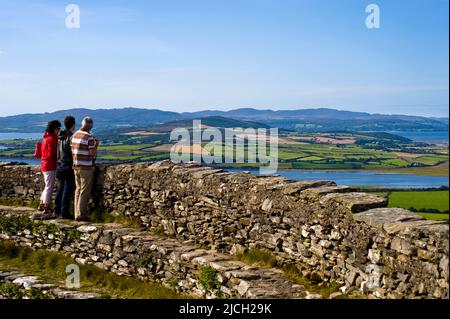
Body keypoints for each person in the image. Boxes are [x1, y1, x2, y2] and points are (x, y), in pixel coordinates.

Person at [71, 116, 99, 221]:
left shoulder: (74, 135)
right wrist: (96, 145)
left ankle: (76, 213)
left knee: (78, 190)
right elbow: (92, 154)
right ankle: (81, 214)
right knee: (84, 191)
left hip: (76, 166)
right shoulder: (89, 137)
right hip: (86, 167)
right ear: (91, 126)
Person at [54, 116, 76, 219]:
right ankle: (64, 212)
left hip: (60, 165)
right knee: (67, 189)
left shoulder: (59, 137)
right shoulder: (71, 137)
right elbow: (73, 152)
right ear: (73, 125)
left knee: (61, 188)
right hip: (68, 166)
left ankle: (57, 209)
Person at [38, 120, 61, 214]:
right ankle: (46, 206)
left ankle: (41, 204)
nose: (59, 130)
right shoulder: (52, 139)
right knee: (49, 187)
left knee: (47, 186)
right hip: (50, 165)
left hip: (44, 164)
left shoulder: (46, 138)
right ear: (54, 129)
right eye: (58, 128)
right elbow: (53, 153)